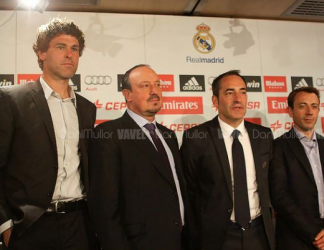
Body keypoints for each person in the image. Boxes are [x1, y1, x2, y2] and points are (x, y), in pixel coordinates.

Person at [0, 18, 97, 249]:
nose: (69, 55)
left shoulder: (86, 108)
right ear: (42, 53)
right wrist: (5, 224)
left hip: (79, 223)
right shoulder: (11, 99)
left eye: (74, 49)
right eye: (60, 47)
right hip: (29, 226)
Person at [89, 64, 189, 250]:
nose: (155, 91)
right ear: (127, 95)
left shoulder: (169, 135)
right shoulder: (109, 134)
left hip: (178, 241)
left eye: (158, 85)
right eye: (145, 86)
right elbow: (104, 207)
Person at [181, 70, 275, 250]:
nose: (238, 98)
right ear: (215, 101)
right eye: (229, 93)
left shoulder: (263, 135)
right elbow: (189, 192)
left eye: (243, 92)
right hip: (217, 238)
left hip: (259, 234)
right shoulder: (196, 137)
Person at [269, 87, 324, 250]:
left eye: (314, 106)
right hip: (296, 238)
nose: (309, 112)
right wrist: (315, 234)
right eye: (302, 106)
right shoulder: (278, 147)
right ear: (290, 111)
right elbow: (280, 196)